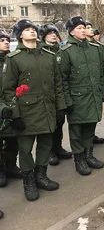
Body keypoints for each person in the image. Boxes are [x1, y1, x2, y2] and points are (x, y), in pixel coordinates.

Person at [3, 19, 66, 201]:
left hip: (47, 109)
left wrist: (60, 108)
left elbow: (58, 84)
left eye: (33, 29)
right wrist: (14, 115)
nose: (31, 32)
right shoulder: (13, 59)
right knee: (25, 149)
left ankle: (41, 175)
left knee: (46, 145)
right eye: (27, 29)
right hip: (26, 113)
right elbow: (8, 90)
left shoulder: (49, 55)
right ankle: (29, 181)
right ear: (20, 35)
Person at [58, 16, 104, 176]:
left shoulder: (94, 49)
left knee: (90, 127)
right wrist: (67, 101)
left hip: (93, 96)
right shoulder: (65, 51)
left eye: (84, 27)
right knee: (77, 131)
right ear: (71, 31)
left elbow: (101, 73)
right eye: (79, 28)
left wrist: (101, 91)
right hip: (76, 98)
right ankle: (79, 160)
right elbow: (62, 80)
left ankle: (89, 155)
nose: (83, 30)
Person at [38, 24, 73, 166]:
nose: (53, 35)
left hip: (60, 92)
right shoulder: (41, 51)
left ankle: (58, 148)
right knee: (49, 125)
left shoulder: (61, 50)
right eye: (50, 33)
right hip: (46, 94)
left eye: (55, 32)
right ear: (43, 36)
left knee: (60, 121)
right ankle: (50, 152)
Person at [0, 30, 23, 188]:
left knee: (13, 140)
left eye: (7, 40)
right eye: (2, 40)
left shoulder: (12, 60)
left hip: (12, 105)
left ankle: (11, 166)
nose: (6, 42)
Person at [85, 21, 104, 144]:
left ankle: (91, 135)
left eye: (89, 27)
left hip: (96, 85)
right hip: (84, 87)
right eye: (87, 27)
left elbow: (102, 67)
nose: (90, 29)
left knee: (95, 113)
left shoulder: (98, 47)